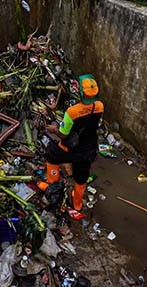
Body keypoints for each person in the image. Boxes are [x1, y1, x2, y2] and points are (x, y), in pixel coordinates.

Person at [37, 74, 104, 220]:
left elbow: (63, 134)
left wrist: (54, 129)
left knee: (51, 155)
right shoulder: (99, 106)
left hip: (71, 149)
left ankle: (52, 185)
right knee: (81, 176)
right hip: (88, 149)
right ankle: (77, 203)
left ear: (80, 92)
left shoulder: (72, 112)